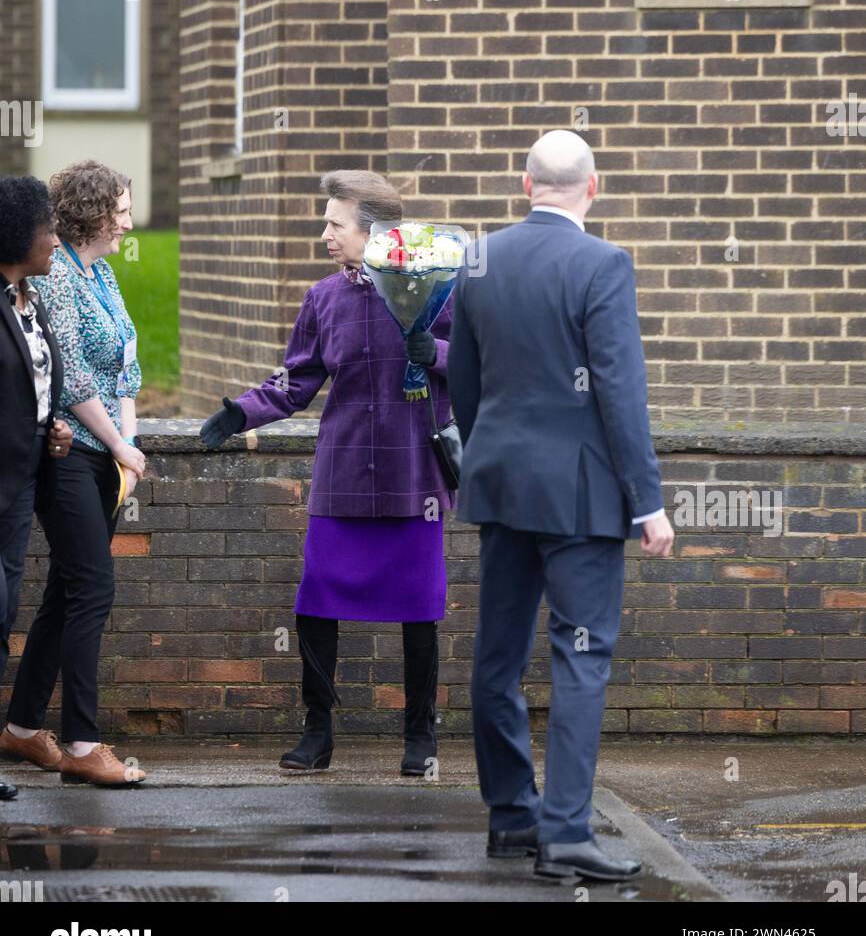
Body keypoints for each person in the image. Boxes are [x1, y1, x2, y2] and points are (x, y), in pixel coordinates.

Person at [448, 129, 675, 882]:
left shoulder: (478, 259)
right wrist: (649, 501)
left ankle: (513, 817)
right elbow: (620, 390)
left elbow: (466, 381)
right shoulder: (603, 262)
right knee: (581, 659)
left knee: (497, 657)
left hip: (502, 484)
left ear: (525, 184)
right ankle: (568, 833)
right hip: (579, 494)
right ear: (594, 187)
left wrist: (489, 454)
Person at [200, 170, 455, 777]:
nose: (324, 235)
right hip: (341, 474)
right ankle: (318, 732)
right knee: (316, 603)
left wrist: (436, 354)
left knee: (418, 609)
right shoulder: (323, 298)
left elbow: (485, 361)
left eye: (333, 224)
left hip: (412, 474)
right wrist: (240, 412)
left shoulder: (439, 290)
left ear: (372, 233)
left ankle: (420, 739)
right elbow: (297, 380)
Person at [3, 161, 147, 787]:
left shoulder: (105, 273)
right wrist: (118, 443)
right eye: (120, 207)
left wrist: (131, 448)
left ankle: (22, 729)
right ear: (91, 210)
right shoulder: (56, 276)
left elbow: (124, 371)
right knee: (93, 588)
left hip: (108, 457)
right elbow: (72, 378)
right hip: (69, 456)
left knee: (65, 592)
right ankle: (85, 745)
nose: (129, 220)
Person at [0, 177, 73, 800]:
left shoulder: (28, 298)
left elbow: (34, 386)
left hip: (20, 489)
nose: (54, 238)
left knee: (3, 618)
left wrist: (52, 429)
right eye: (46, 228)